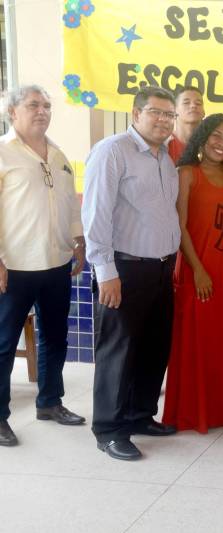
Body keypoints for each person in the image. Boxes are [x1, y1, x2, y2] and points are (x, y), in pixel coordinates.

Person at [82, 86, 181, 461]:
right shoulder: (112, 151)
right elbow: (96, 214)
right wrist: (105, 271)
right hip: (123, 268)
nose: (163, 120)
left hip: (159, 268)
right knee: (118, 350)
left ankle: (140, 415)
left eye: (168, 115)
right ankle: (109, 429)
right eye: (155, 112)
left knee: (153, 347)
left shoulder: (164, 158)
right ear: (135, 113)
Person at [0, 85, 86, 447]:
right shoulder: (4, 153)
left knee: (56, 337)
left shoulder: (58, 153)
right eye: (33, 105)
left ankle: (50, 402)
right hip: (14, 266)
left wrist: (78, 240)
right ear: (12, 111)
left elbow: (68, 202)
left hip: (56, 262)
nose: (42, 111)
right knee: (3, 344)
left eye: (47, 106)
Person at [162, 113, 223, 433]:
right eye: (217, 136)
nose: (222, 144)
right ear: (203, 136)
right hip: (197, 268)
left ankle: (222, 410)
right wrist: (198, 269)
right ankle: (194, 413)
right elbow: (180, 226)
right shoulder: (186, 173)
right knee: (197, 341)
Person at [167, 85, 205, 164]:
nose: (193, 106)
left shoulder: (209, 146)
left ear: (204, 112)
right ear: (174, 110)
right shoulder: (163, 144)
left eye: (198, 103)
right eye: (186, 103)